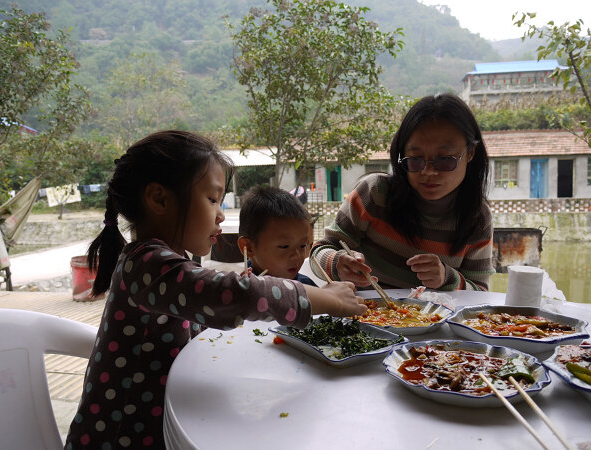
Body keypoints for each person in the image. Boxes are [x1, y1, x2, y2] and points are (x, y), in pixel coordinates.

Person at [63, 130, 366, 449]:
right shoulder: (145, 264)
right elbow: (236, 296)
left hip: (163, 428)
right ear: (159, 199)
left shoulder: (169, 263)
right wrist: (326, 299)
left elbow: (213, 311)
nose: (221, 214)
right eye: (211, 199)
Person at [311, 93, 494, 291]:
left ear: (471, 154)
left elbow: (481, 292)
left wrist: (448, 277)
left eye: (445, 160)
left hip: (435, 321)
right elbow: (318, 252)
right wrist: (337, 262)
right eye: (415, 159)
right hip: (365, 314)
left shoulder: (477, 218)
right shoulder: (374, 194)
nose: (428, 172)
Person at [237, 186, 317, 286]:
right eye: (284, 246)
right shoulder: (239, 291)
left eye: (302, 246)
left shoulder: (307, 286)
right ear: (248, 247)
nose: (297, 256)